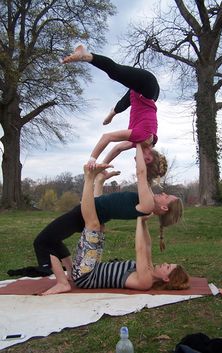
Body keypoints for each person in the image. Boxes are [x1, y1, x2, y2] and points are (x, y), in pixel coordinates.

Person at [33, 144, 183, 277]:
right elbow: (144, 174)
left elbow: (141, 174)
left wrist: (139, 143)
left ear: (164, 207)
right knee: (53, 239)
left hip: (85, 212)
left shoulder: (148, 204)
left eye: (167, 196)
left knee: (41, 241)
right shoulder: (148, 203)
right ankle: (70, 272)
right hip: (90, 212)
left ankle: (45, 268)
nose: (163, 193)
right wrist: (101, 180)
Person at [42, 163, 189, 295]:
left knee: (92, 225)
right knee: (97, 224)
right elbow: (147, 245)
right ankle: (96, 180)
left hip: (86, 276)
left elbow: (140, 249)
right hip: (91, 268)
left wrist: (139, 220)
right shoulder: (149, 269)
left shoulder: (146, 281)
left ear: (165, 278)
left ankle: (89, 178)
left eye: (168, 267)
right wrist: (143, 223)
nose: (165, 263)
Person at [62, 45, 167, 185]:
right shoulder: (142, 136)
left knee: (124, 103)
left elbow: (117, 148)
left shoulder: (139, 143)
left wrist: (102, 166)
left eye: (138, 166)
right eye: (145, 161)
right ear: (150, 155)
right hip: (147, 85)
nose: (138, 162)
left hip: (143, 95)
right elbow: (107, 137)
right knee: (116, 73)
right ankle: (86, 55)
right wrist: (92, 160)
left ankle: (113, 112)